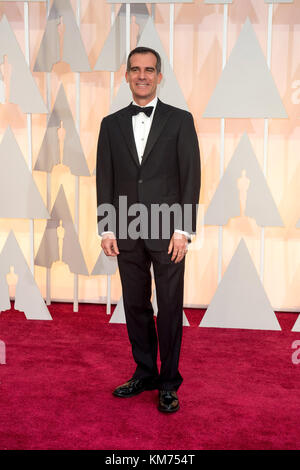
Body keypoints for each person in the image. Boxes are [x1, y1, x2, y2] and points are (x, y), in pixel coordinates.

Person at [96, 46, 200, 413]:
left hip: (168, 229)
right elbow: (104, 178)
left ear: (159, 76)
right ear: (126, 75)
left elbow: (190, 177)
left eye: (149, 70)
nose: (142, 75)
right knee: (135, 305)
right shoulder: (110, 125)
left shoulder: (180, 120)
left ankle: (169, 382)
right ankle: (145, 372)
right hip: (125, 229)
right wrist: (106, 229)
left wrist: (184, 229)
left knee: (170, 307)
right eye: (135, 69)